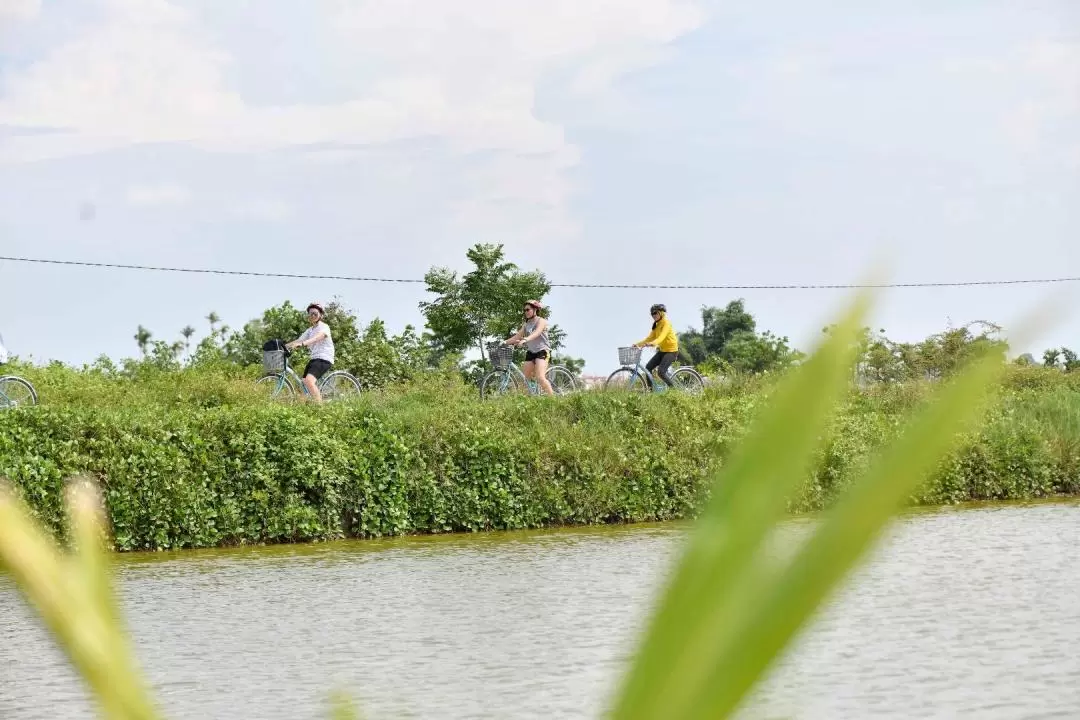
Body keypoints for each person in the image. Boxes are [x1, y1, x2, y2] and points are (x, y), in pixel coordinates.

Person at [285, 302, 335, 403]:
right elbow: (298, 340)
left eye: (315, 313)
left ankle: (320, 408)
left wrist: (303, 343)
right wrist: (284, 346)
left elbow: (318, 337)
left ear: (320, 315)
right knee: (303, 383)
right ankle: (310, 403)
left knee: (309, 381)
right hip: (314, 358)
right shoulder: (310, 330)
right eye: (310, 314)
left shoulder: (324, 327)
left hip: (324, 358)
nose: (312, 316)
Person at [505, 299, 555, 396]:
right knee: (526, 378)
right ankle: (532, 396)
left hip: (542, 351)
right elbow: (517, 336)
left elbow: (537, 333)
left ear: (535, 309)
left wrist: (526, 339)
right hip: (531, 352)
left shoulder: (542, 321)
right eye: (524, 310)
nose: (525, 312)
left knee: (540, 377)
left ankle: (553, 400)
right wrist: (503, 342)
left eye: (527, 310)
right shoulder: (526, 325)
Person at [634, 303, 679, 389]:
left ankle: (674, 391)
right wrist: (637, 344)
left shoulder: (666, 323)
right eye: (652, 314)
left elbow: (662, 337)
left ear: (661, 313)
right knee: (648, 368)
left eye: (655, 313)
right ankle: (651, 391)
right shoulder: (656, 325)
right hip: (663, 351)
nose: (653, 315)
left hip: (671, 351)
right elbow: (649, 338)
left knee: (661, 372)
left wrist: (653, 343)